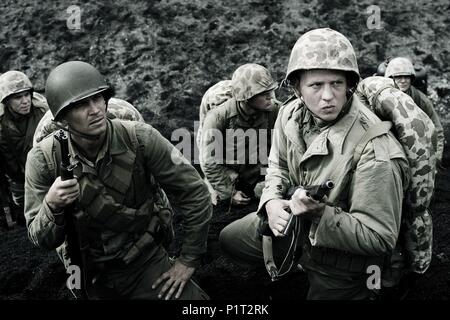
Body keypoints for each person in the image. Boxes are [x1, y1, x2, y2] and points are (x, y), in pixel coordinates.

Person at [220, 28, 412, 300]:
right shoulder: (289, 114)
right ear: (297, 87)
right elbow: (278, 166)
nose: (327, 96)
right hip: (295, 226)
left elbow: (379, 237)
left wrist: (320, 215)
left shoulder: (375, 150)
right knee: (230, 240)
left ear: (350, 85)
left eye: (336, 84)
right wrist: (272, 201)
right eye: (315, 85)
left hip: (342, 260)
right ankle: (299, 260)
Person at [25, 61, 212, 300]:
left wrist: (188, 260)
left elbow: (195, 192)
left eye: (99, 98)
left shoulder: (141, 138)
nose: (95, 110)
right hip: (86, 272)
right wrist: (52, 206)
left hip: (144, 261)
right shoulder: (43, 159)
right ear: (62, 119)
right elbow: (40, 239)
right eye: (81, 105)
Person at [199, 64, 280, 206]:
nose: (271, 97)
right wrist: (229, 192)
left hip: (254, 156)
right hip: (221, 136)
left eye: (271, 91)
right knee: (214, 192)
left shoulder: (274, 109)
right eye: (263, 93)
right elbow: (209, 161)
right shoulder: (217, 117)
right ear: (247, 97)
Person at [0, 71, 48, 225]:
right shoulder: (2, 125)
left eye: (27, 95)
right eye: (18, 97)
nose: (25, 101)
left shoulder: (43, 113)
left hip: (48, 172)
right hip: (19, 179)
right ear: (7, 101)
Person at [385, 57, 445, 164]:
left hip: (415, 149)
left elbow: (437, 129)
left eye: (406, 77)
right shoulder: (382, 98)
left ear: (411, 79)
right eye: (398, 77)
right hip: (389, 149)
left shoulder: (420, 99)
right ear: (390, 78)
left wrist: (437, 156)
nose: (403, 81)